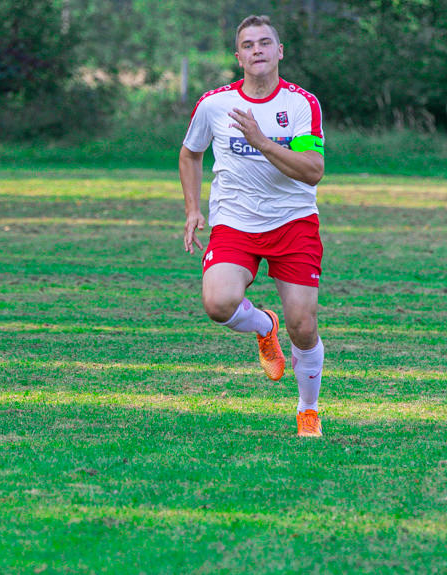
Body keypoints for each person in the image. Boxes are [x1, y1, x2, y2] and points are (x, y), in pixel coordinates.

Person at [179, 15, 327, 437]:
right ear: (238, 56)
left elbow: (313, 170)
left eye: (265, 43)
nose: (257, 50)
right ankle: (264, 325)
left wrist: (263, 141)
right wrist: (192, 209)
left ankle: (307, 409)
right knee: (218, 304)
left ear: (280, 52)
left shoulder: (300, 104)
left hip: (292, 222)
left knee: (304, 324)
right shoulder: (214, 104)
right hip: (235, 222)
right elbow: (190, 154)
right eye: (248, 44)